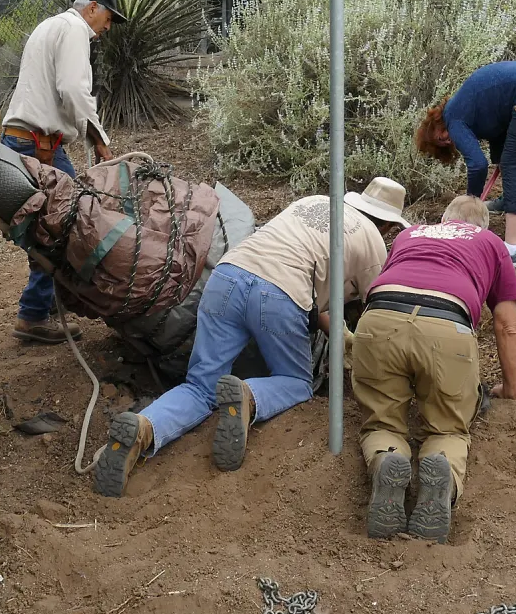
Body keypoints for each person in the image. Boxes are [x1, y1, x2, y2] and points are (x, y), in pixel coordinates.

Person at [93, 178, 412, 497]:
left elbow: (309, 294)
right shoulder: (373, 243)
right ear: (387, 225)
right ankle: (249, 396)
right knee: (296, 380)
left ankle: (145, 428)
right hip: (279, 293)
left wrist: (339, 334)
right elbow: (380, 315)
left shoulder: (313, 203)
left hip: (227, 276)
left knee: (200, 386)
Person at [351, 195, 516, 542]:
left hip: (380, 318)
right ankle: (442, 474)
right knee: (448, 430)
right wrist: (512, 386)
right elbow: (507, 325)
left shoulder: (410, 234)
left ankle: (388, 458)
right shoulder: (491, 242)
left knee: (383, 422)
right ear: (482, 226)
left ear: (444, 220)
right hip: (447, 325)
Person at [1, 0, 127, 343]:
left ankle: (52, 299)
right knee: (66, 224)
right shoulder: (74, 30)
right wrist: (100, 140)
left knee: (55, 222)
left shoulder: (49, 25)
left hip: (26, 140)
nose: (107, 28)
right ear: (91, 9)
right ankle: (33, 314)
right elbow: (72, 89)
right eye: (107, 19)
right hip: (36, 145)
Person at [414, 60, 516, 269]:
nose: (446, 139)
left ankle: (515, 250)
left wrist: (471, 205)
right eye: (442, 144)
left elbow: (478, 165)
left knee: (515, 166)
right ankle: (507, 201)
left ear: (434, 124)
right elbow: (500, 131)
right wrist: (500, 162)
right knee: (510, 162)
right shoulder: (469, 110)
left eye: (439, 137)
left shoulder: (453, 118)